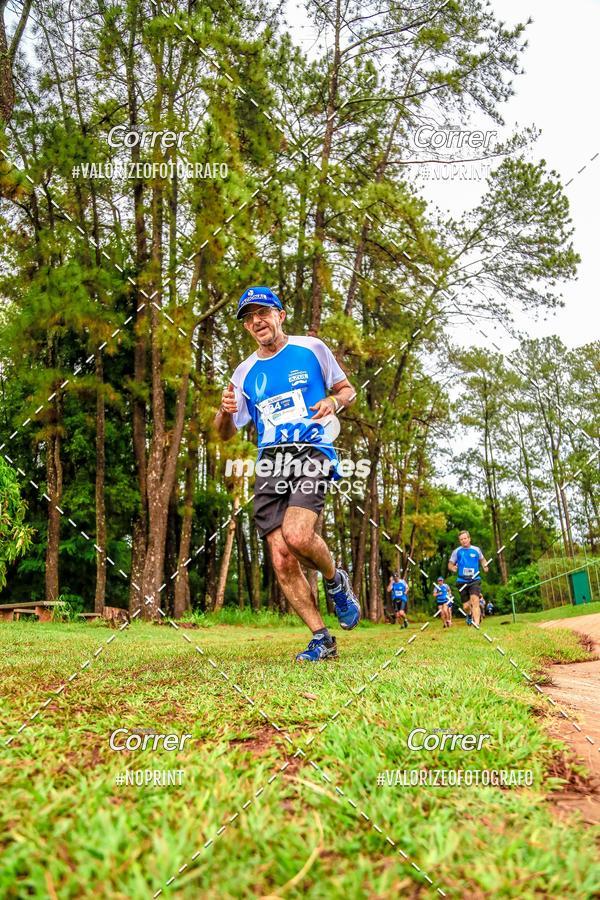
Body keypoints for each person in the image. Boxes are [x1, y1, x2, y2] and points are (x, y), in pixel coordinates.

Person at [214, 286, 360, 662]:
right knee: (281, 556)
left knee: (297, 535)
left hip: (312, 451)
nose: (256, 321)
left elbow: (348, 390)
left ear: (280, 314)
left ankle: (335, 581)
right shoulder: (244, 372)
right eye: (248, 318)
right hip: (270, 462)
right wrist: (224, 410)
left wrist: (332, 401)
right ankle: (322, 638)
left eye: (262, 312)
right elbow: (225, 432)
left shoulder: (312, 349)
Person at [448, 530, 489, 627]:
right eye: (461, 539)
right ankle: (469, 614)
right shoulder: (457, 551)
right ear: (459, 541)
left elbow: (482, 560)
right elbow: (450, 564)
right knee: (466, 606)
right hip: (462, 581)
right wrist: (452, 568)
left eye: (465, 538)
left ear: (469, 539)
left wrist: (485, 566)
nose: (463, 541)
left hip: (474, 580)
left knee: (475, 600)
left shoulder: (476, 550)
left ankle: (476, 624)